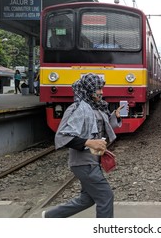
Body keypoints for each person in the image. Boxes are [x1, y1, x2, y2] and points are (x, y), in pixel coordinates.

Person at [42, 73, 124, 218]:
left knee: (87, 199)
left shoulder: (97, 107)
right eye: (98, 89)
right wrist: (88, 142)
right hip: (83, 163)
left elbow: (102, 128)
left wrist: (115, 117)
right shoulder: (76, 108)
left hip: (93, 161)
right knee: (106, 197)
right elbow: (61, 136)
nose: (102, 92)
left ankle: (50, 216)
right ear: (89, 89)